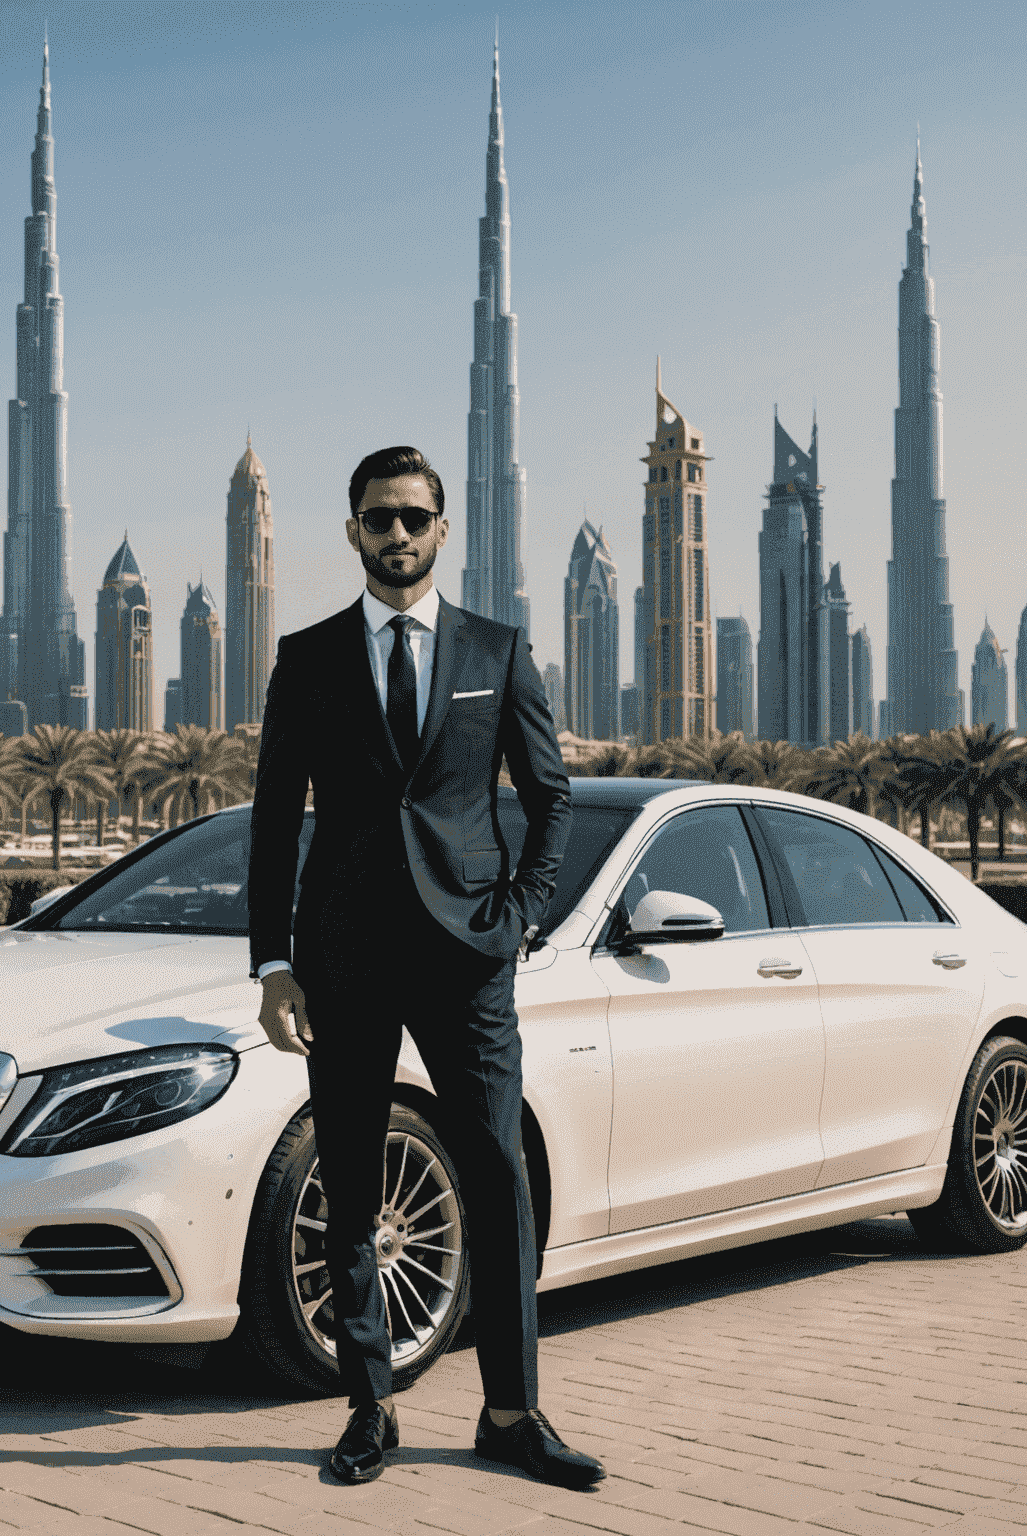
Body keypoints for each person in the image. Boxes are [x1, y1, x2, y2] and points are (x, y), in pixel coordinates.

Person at [247, 445, 604, 1489]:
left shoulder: (497, 649)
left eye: (413, 518)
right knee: (352, 1185)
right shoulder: (307, 658)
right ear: (352, 532)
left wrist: (523, 918)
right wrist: (274, 964)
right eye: (377, 519)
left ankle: (512, 1412)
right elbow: (273, 825)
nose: (396, 534)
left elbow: (551, 797)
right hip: (343, 964)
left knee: (497, 1179)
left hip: (468, 961)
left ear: (442, 530)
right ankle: (369, 1408)